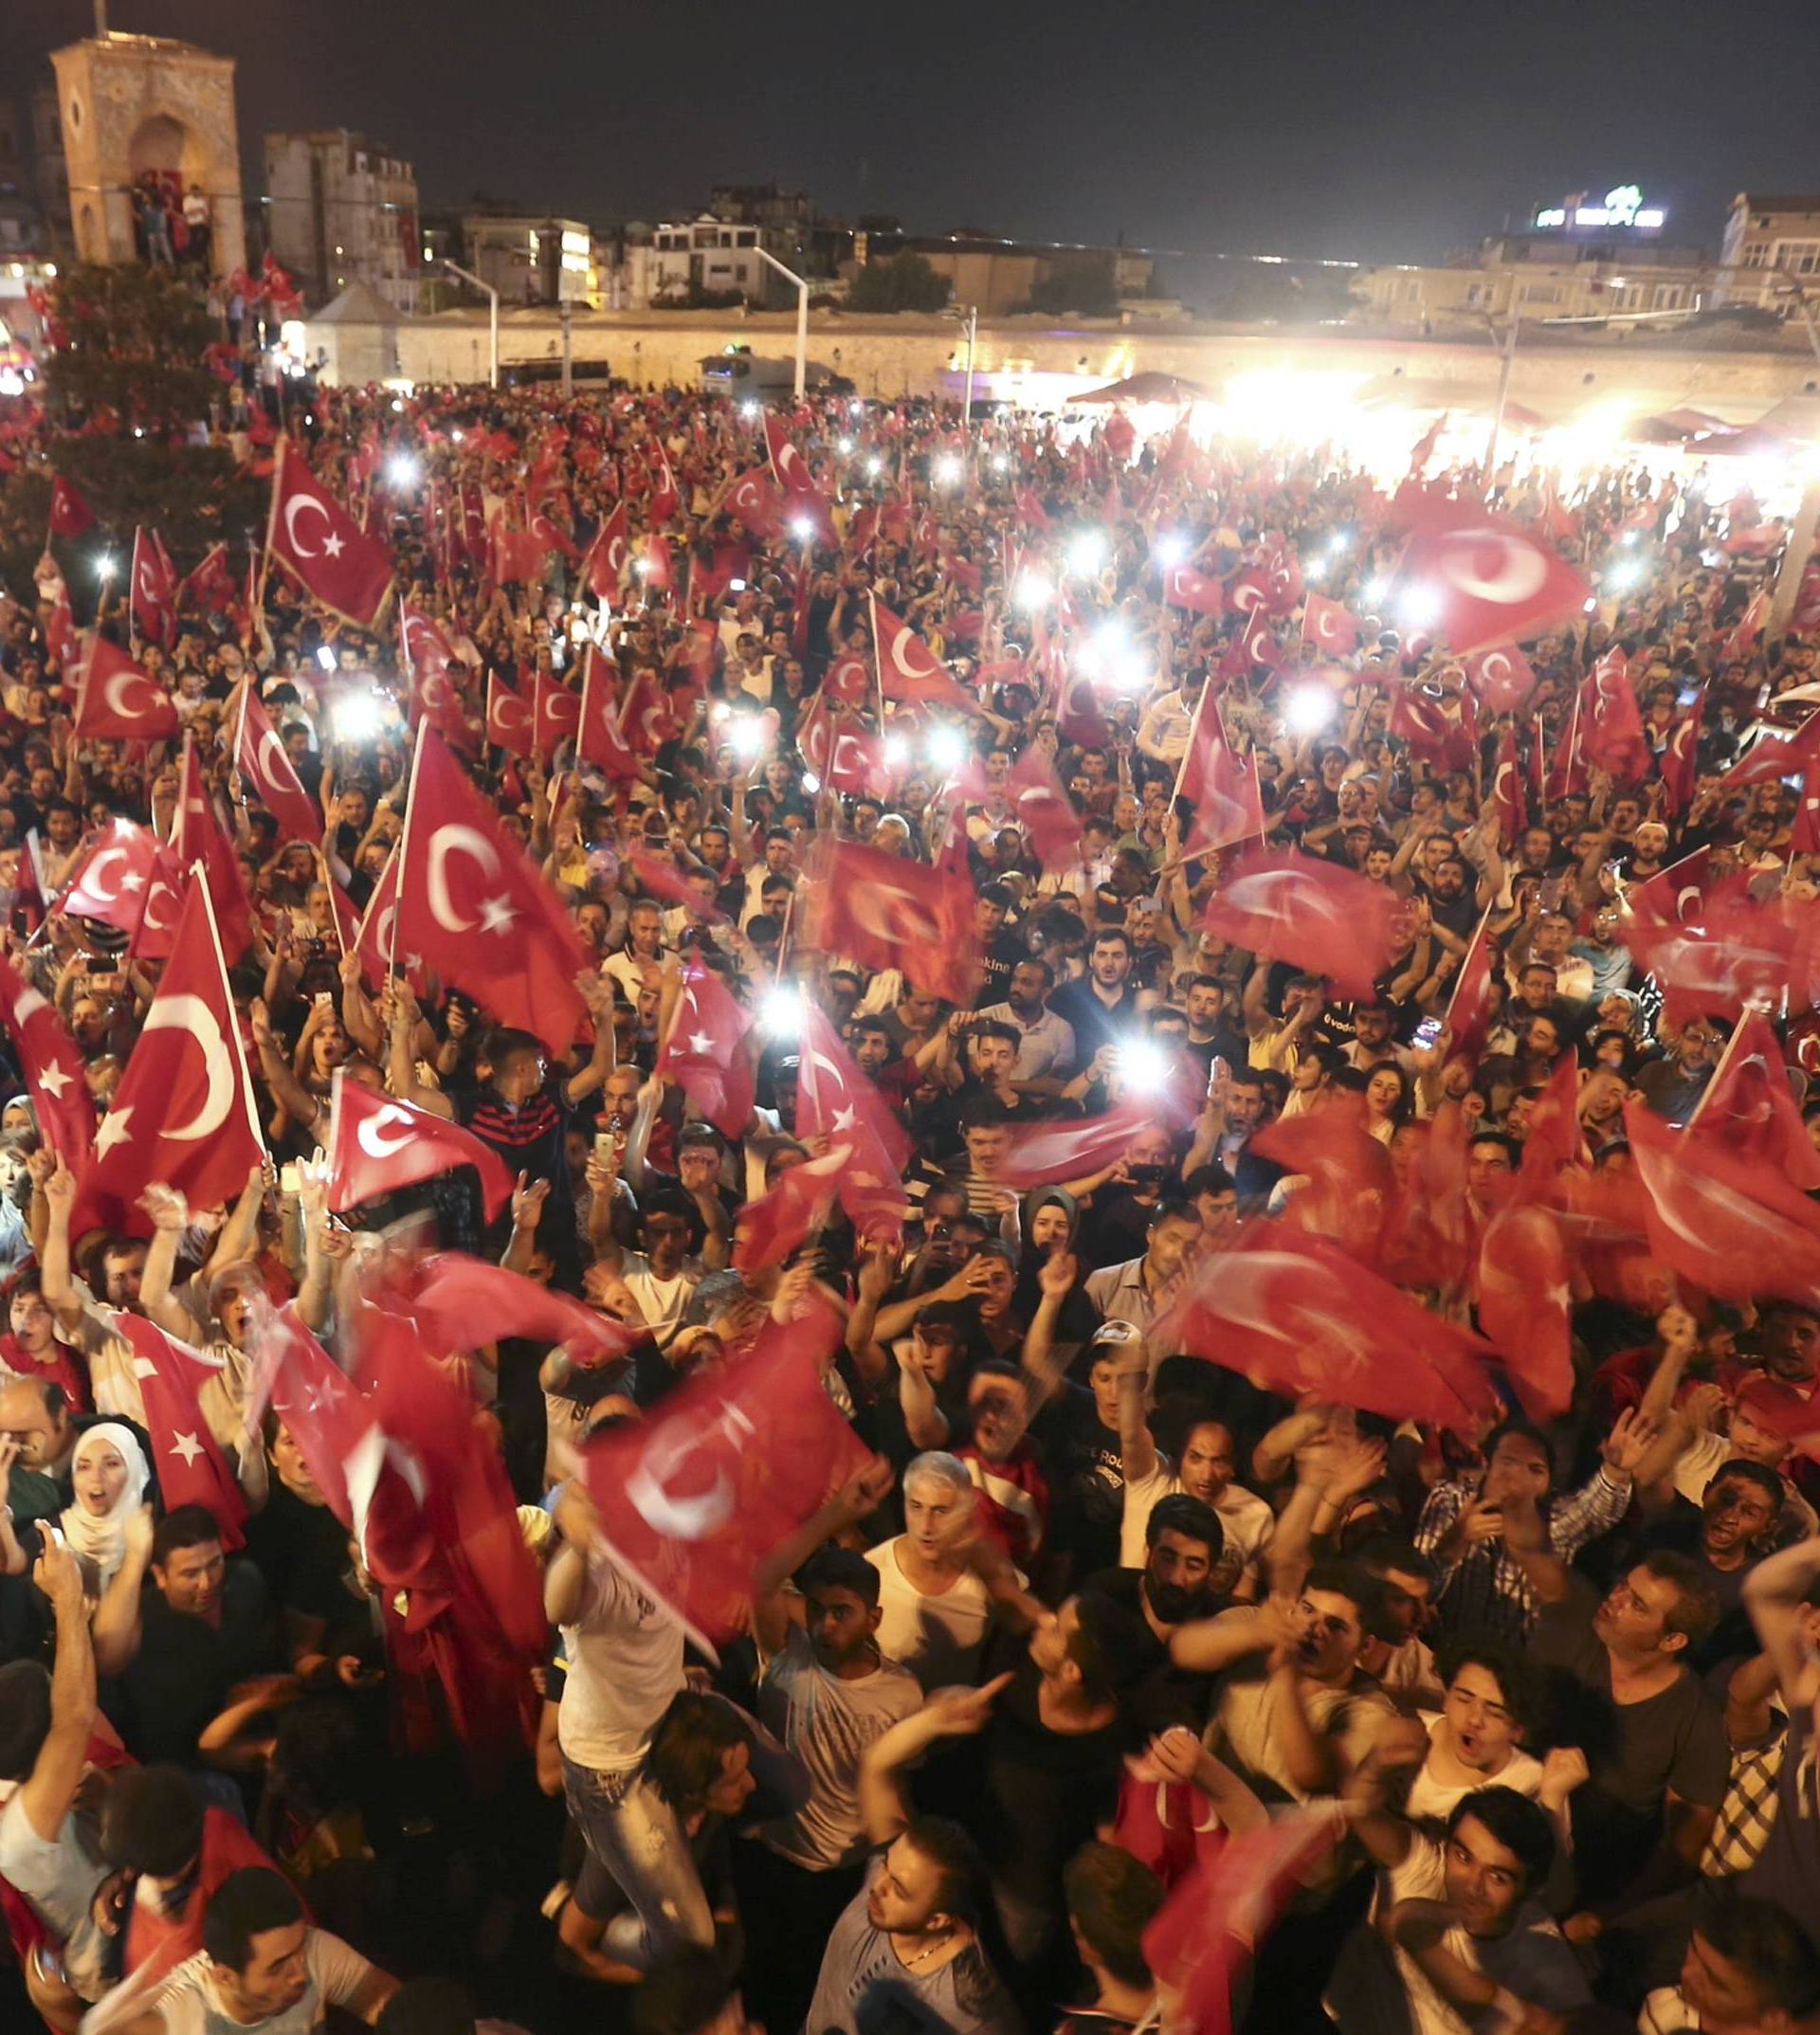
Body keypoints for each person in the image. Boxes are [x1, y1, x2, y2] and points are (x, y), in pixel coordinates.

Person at [803, 1680, 1019, 2035]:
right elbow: (876, 1765)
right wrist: (935, 1721)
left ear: (938, 1920)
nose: (878, 1885)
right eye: (887, 1866)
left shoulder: (969, 2003)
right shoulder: (887, 1876)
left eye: (900, 1889)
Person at [94, 1865, 397, 2034]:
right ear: (224, 1977)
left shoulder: (313, 1950)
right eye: (277, 1967)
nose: (300, 1973)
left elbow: (395, 2007)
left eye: (299, 1949)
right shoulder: (180, 2015)